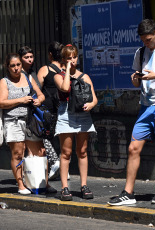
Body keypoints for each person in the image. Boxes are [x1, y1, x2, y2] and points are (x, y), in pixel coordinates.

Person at [108, 19, 155, 206]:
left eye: (148, 39)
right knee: (133, 147)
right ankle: (128, 192)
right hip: (145, 105)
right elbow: (136, 82)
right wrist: (136, 78)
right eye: (143, 40)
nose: (146, 43)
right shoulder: (140, 52)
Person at [0, 53, 55, 195]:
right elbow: (2, 103)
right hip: (14, 121)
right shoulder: (4, 82)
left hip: (31, 121)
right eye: (13, 66)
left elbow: (41, 94)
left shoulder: (28, 77)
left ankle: (44, 183)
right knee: (17, 153)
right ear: (7, 67)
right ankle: (21, 184)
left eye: (18, 65)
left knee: (40, 152)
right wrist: (21, 100)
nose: (16, 68)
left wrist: (39, 100)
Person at [54, 44, 98, 201]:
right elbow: (65, 88)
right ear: (64, 60)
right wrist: (66, 70)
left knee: (83, 151)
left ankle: (84, 185)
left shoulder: (84, 76)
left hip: (82, 114)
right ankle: (65, 187)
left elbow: (94, 98)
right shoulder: (58, 76)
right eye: (69, 58)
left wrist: (90, 105)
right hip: (66, 113)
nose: (72, 60)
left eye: (74, 57)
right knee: (66, 152)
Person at [17, 45, 61, 182]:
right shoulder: (19, 74)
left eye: (31, 57)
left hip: (35, 112)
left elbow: (39, 93)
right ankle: (29, 175)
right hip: (21, 113)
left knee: (38, 142)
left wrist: (39, 99)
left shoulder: (32, 73)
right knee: (26, 146)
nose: (30, 59)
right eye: (26, 57)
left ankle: (39, 173)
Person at [36, 41, 64, 180]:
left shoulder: (45, 69)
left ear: (50, 54)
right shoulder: (66, 68)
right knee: (63, 139)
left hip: (48, 109)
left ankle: (55, 162)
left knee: (45, 138)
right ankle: (65, 169)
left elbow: (36, 87)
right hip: (63, 108)